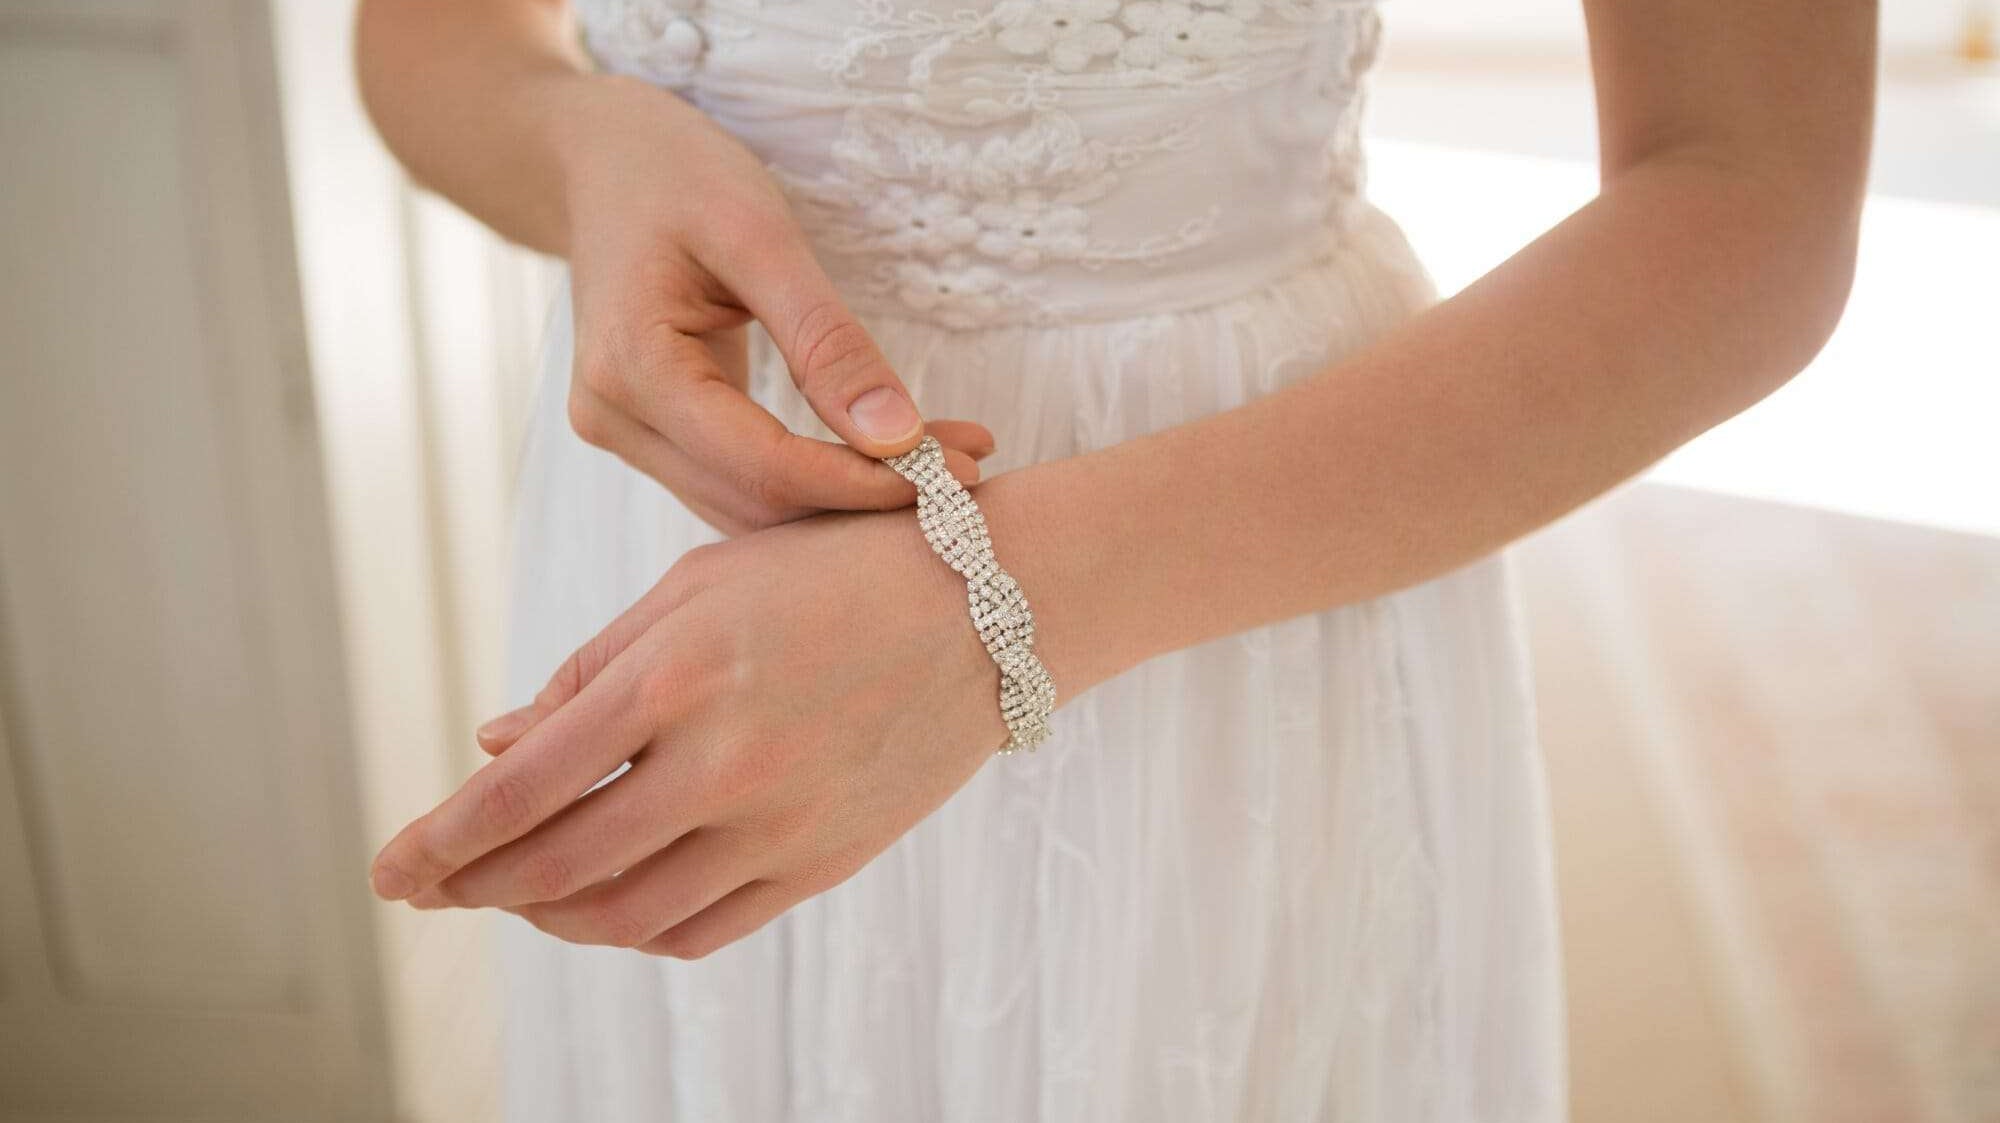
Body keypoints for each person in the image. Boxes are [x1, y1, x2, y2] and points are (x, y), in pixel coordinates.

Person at [358, 0, 1875, 1117]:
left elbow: (1752, 192)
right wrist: (583, 147)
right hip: (670, 538)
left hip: (1224, 557)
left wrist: (997, 604)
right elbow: (423, 37)